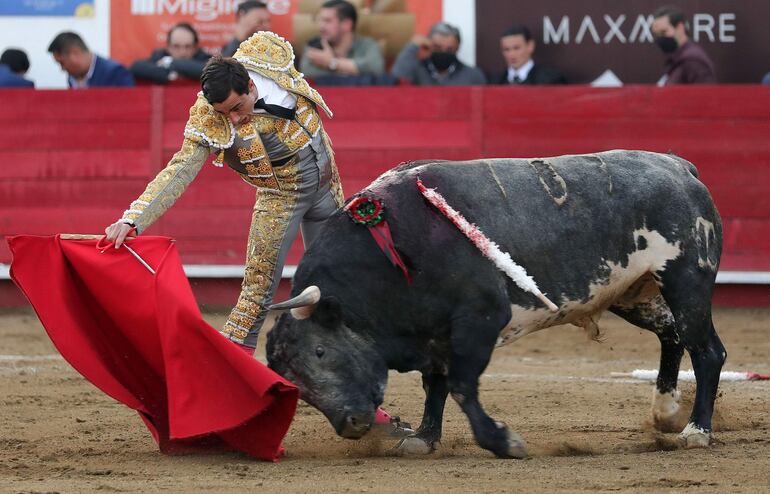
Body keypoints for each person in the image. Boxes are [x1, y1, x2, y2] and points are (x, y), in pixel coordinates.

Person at [104, 32, 411, 437]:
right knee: (255, 297)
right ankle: (219, 406)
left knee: (342, 296)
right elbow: (179, 169)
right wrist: (134, 218)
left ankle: (364, 407)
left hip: (327, 190)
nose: (232, 119)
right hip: (280, 200)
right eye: (224, 113)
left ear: (250, 84)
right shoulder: (209, 117)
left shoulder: (270, 54)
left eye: (236, 107)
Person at [299, 0, 384, 80]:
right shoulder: (314, 45)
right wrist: (352, 70)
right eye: (320, 20)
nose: (321, 26)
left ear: (347, 24)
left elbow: (376, 69)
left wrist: (332, 63)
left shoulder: (368, 45)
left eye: (327, 21)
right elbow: (307, 74)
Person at [391, 22, 486, 86]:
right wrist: (413, 47)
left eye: (449, 49)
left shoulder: (473, 76)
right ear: (429, 45)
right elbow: (397, 77)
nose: (443, 52)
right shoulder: (416, 71)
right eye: (438, 48)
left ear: (457, 48)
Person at [651, 6, 716, 85]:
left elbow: (707, 95)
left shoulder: (693, 61)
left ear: (680, 27)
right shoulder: (676, 60)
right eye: (657, 34)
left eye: (664, 32)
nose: (660, 38)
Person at [131, 22, 211, 84]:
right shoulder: (160, 56)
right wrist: (167, 75)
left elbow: (208, 71)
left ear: (195, 48)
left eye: (188, 46)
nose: (182, 52)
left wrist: (170, 62)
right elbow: (135, 67)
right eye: (176, 46)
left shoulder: (205, 59)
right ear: (168, 47)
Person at [48, 32, 134, 88]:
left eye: (62, 63)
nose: (62, 69)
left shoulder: (116, 73)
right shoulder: (72, 77)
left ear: (75, 52)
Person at [492, 24, 566, 85]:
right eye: (506, 49)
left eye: (516, 48)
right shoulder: (495, 83)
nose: (511, 54)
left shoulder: (550, 80)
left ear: (530, 46)